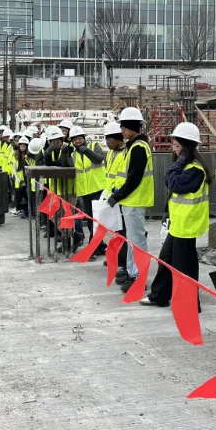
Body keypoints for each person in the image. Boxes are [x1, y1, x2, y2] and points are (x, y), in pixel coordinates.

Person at [141, 123, 212, 307]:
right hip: (178, 224)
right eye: (173, 146)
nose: (174, 149)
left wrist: (179, 162)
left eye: (177, 146)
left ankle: (188, 303)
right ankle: (159, 296)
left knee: (184, 265)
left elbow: (173, 184)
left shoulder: (194, 170)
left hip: (187, 226)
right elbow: (171, 186)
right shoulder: (184, 166)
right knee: (166, 259)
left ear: (187, 148)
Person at [106, 107, 154, 293]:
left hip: (135, 201)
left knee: (137, 242)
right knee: (131, 240)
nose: (122, 131)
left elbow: (134, 179)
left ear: (133, 127)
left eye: (124, 127)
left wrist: (117, 196)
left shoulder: (139, 148)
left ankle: (138, 278)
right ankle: (131, 272)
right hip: (130, 201)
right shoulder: (133, 147)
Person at [66, 125, 106, 259]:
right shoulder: (74, 154)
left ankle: (93, 246)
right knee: (90, 220)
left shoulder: (94, 145)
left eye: (79, 139)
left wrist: (87, 151)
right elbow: (68, 165)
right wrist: (65, 153)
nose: (77, 142)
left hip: (98, 188)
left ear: (84, 138)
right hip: (85, 192)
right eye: (74, 140)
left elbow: (99, 159)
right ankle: (99, 245)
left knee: (96, 220)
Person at [104, 122, 130, 280]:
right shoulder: (110, 153)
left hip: (122, 197)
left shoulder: (126, 153)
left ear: (118, 138)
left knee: (124, 231)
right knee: (115, 230)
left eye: (109, 139)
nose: (107, 143)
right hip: (112, 197)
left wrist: (117, 194)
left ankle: (124, 260)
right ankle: (118, 256)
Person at [12, 136, 35, 217]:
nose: (22, 148)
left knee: (27, 195)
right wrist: (17, 178)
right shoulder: (15, 154)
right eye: (21, 146)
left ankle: (29, 211)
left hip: (27, 177)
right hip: (19, 178)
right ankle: (22, 210)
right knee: (20, 195)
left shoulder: (29, 155)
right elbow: (14, 167)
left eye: (24, 146)